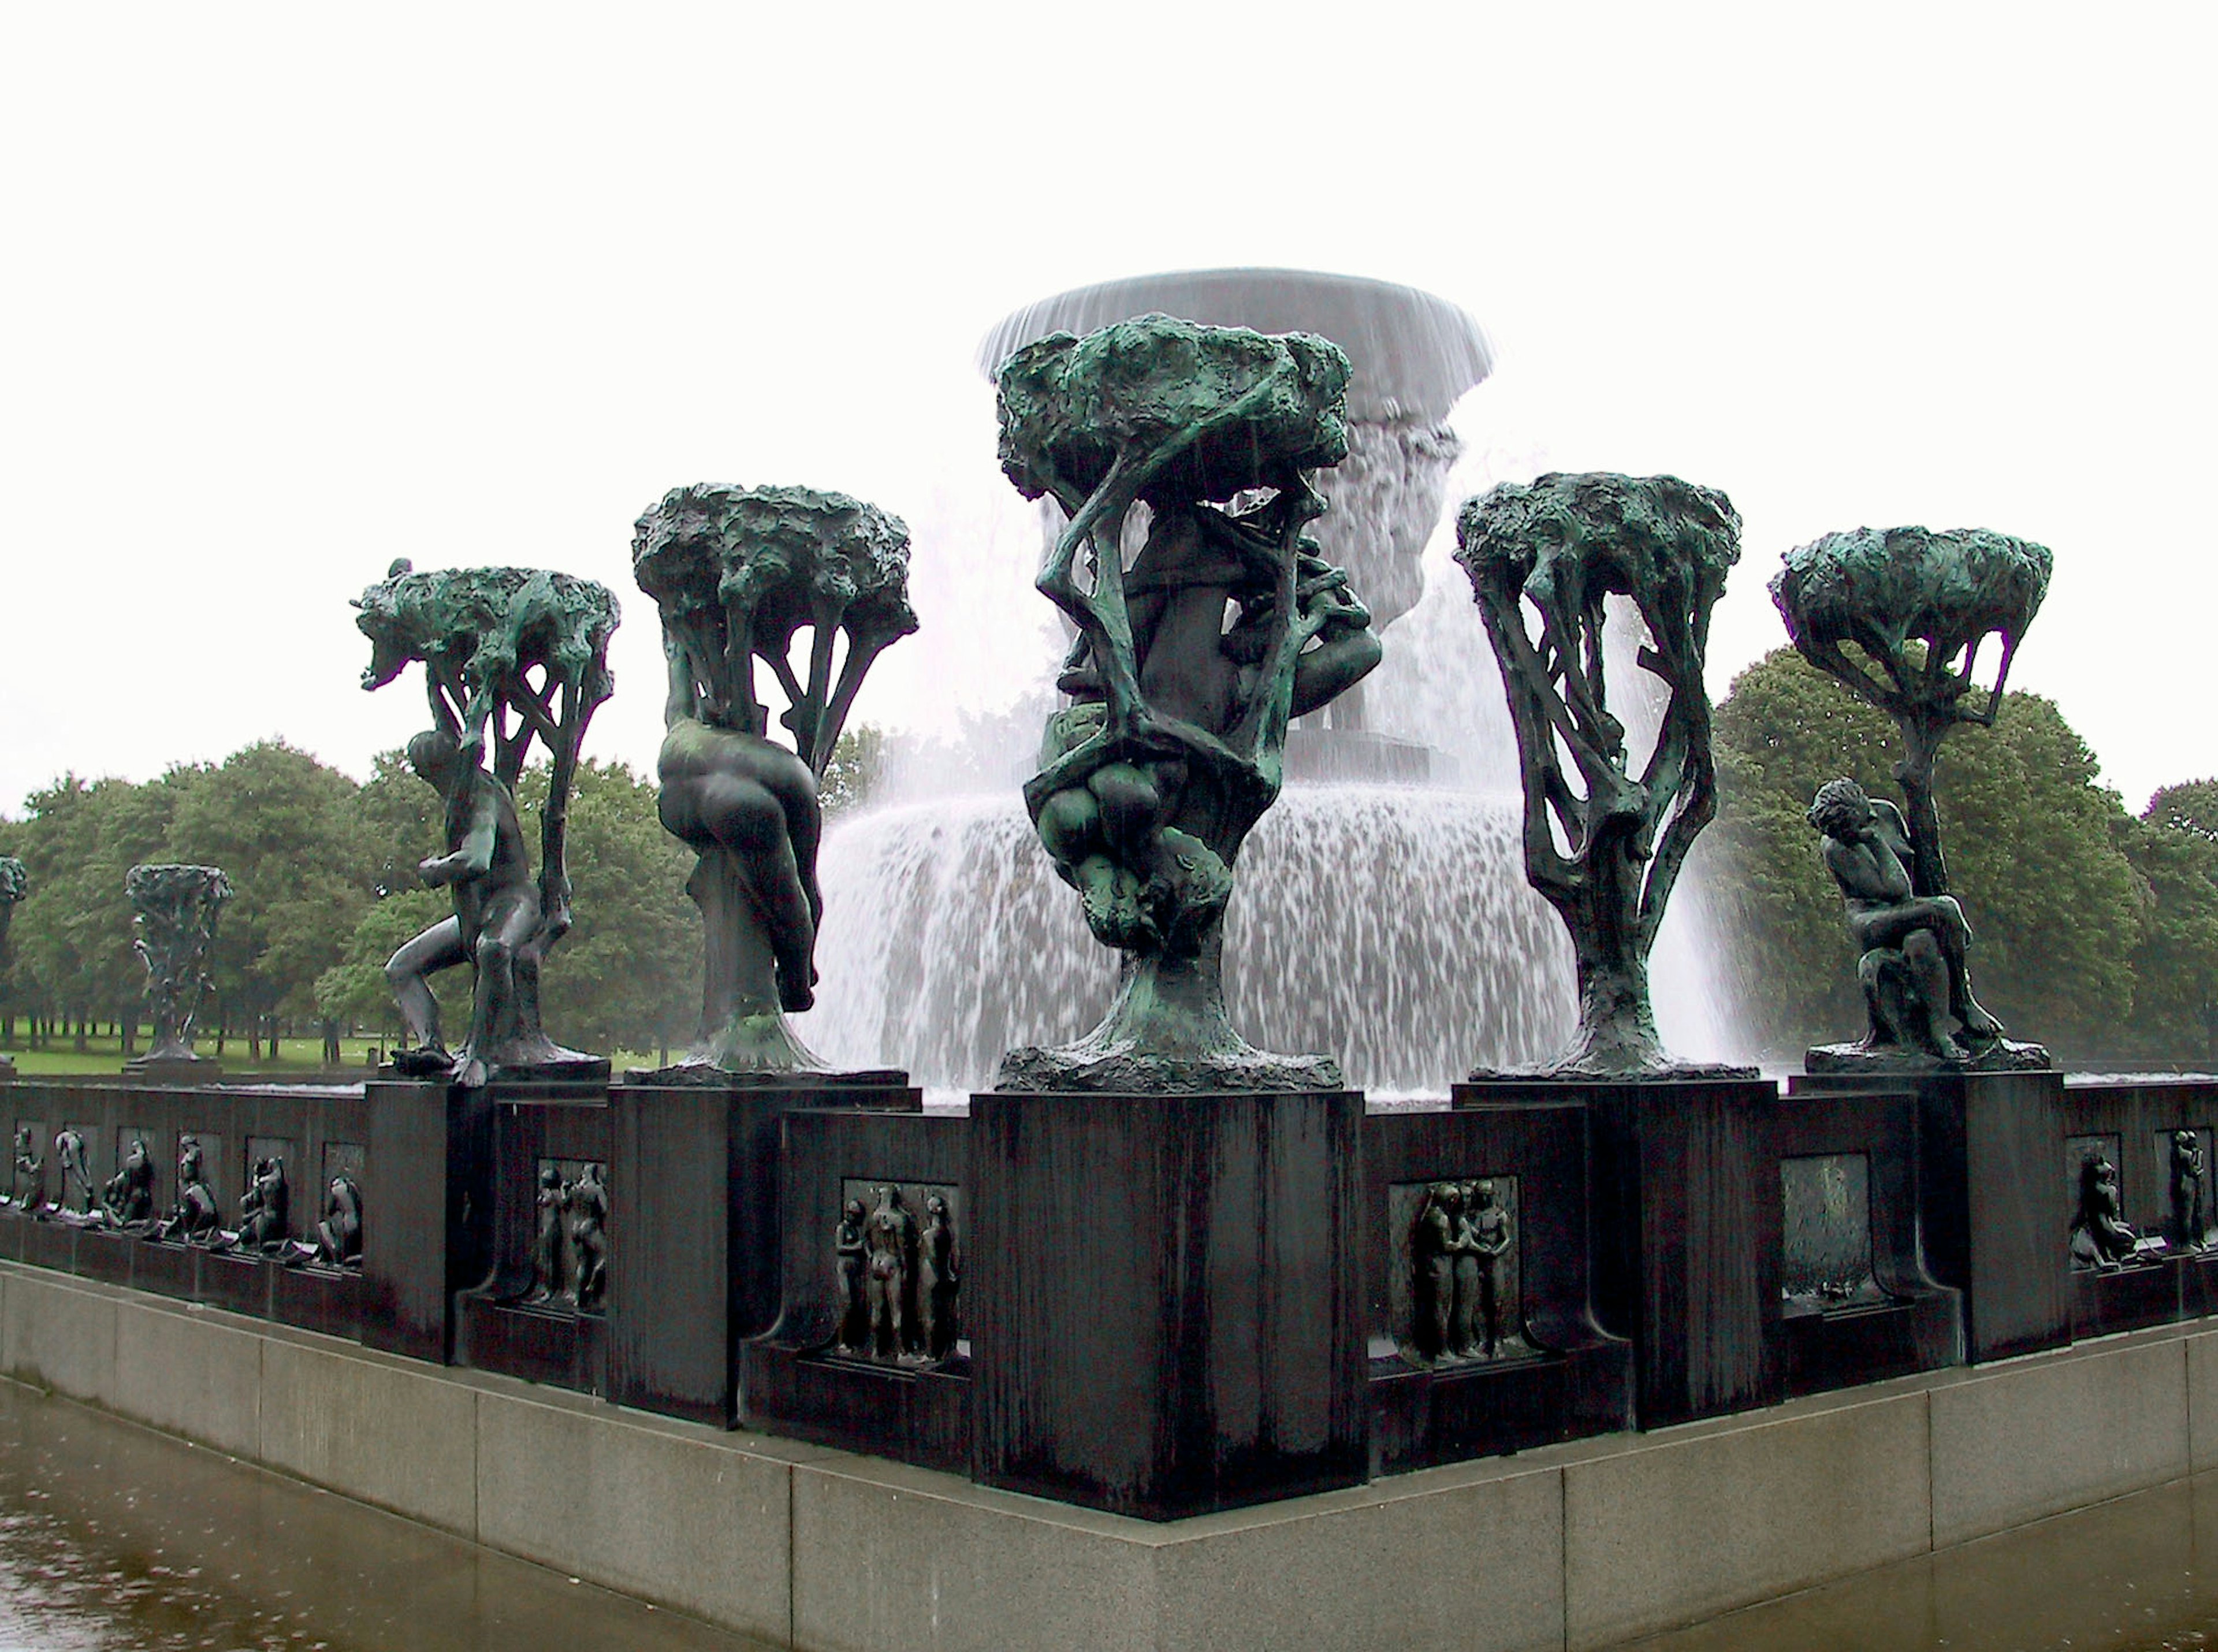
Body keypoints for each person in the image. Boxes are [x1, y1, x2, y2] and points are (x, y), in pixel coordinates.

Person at [385, 725, 542, 1089]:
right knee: (401, 968)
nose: (431, 784)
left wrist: (435, 868)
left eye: (430, 775)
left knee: (494, 949)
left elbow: (476, 860)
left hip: (515, 902)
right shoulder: (460, 795)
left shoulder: (481, 798)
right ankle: (433, 1047)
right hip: (478, 911)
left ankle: (481, 1056)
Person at [1807, 777, 2001, 1059]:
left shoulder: (1885, 812)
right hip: (1873, 921)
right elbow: (1897, 890)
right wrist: (1873, 840)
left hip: (1908, 912)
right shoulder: (1837, 847)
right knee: (1945, 908)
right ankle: (1963, 1001)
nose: (1871, 821)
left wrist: (1947, 928)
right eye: (1859, 826)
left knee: (1921, 942)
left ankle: (1939, 1033)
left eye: (1866, 815)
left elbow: (1917, 866)